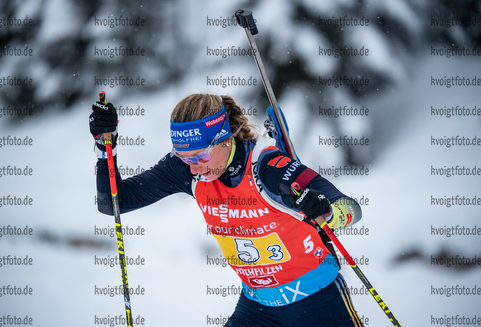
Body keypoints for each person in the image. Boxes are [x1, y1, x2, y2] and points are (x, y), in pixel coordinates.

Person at [90, 93, 364, 327]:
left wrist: (325, 212)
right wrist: (106, 148)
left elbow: (349, 208)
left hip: (319, 301)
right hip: (259, 308)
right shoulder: (186, 170)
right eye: (185, 158)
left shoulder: (267, 168)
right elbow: (113, 203)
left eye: (201, 156)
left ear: (225, 139)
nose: (195, 167)